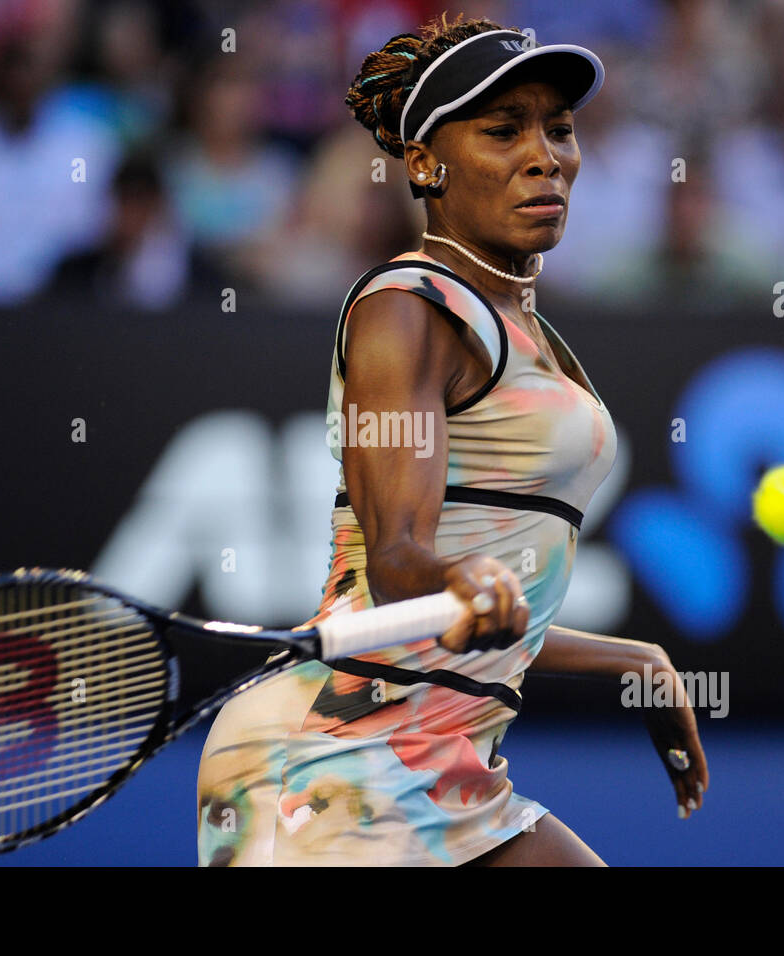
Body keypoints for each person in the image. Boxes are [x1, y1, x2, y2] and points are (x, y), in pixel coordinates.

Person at [196, 13, 708, 867]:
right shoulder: (406, 306)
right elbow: (401, 566)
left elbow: (485, 598)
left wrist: (636, 660)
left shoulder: (533, 334)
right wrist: (459, 577)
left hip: (450, 758)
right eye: (503, 130)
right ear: (427, 163)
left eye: (559, 128)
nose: (544, 154)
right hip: (332, 761)